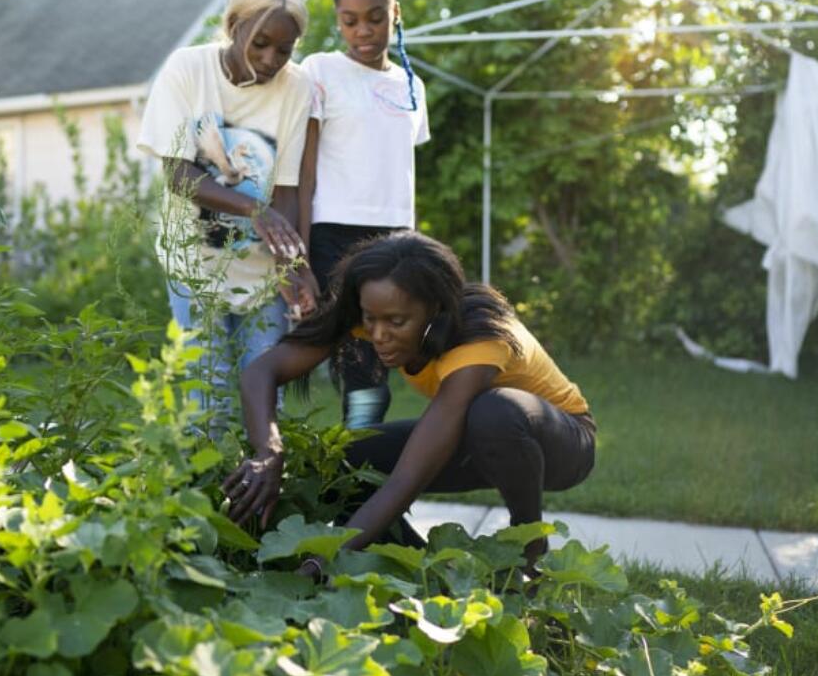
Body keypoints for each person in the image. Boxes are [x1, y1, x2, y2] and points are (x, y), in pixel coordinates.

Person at [223, 232, 596, 577]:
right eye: (371, 319)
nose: (379, 335)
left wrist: (324, 558)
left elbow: (407, 478)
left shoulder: (480, 338)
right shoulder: (370, 312)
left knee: (492, 412)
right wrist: (267, 451)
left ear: (434, 313)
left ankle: (528, 554)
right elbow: (262, 372)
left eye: (397, 322)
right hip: (475, 436)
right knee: (342, 460)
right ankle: (421, 570)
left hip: (561, 442)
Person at [137, 0, 316, 430]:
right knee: (206, 402)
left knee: (263, 404)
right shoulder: (187, 70)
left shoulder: (296, 89)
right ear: (234, 25)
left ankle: (257, 496)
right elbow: (178, 173)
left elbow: (290, 190)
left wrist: (289, 265)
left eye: (284, 49)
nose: (270, 59)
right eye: (260, 43)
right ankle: (204, 500)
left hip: (260, 276)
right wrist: (253, 210)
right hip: (195, 265)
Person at [297, 0, 430, 429]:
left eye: (375, 17)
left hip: (396, 240)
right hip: (335, 234)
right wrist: (300, 256)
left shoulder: (412, 86)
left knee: (383, 358)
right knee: (357, 360)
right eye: (349, 21)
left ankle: (364, 469)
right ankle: (357, 473)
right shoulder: (319, 70)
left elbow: (398, 170)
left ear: (396, 12)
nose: (363, 31)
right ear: (337, 20)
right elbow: (304, 170)